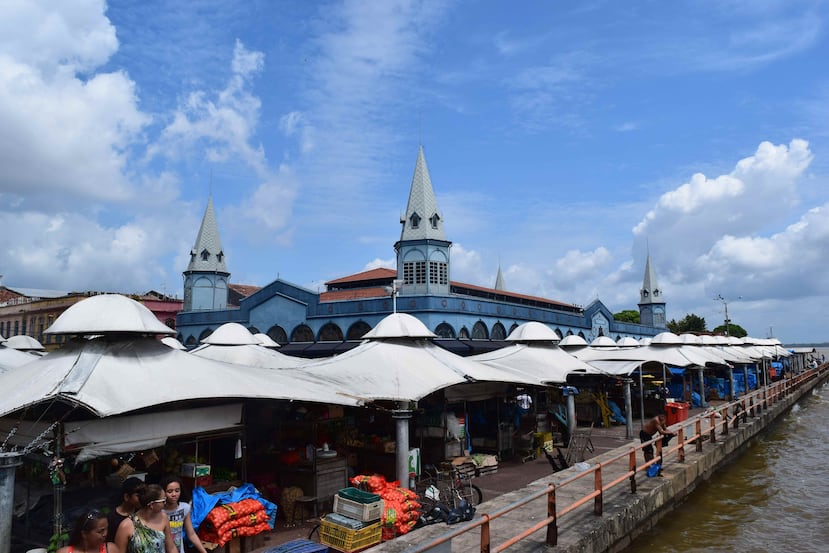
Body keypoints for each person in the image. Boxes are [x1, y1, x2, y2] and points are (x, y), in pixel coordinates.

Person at [114, 484, 176, 553]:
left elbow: (171, 547)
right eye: (163, 500)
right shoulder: (126, 526)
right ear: (152, 505)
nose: (165, 503)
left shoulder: (163, 517)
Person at [160, 475, 207, 553]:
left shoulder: (185, 508)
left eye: (177, 490)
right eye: (169, 491)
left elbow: (191, 534)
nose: (174, 494)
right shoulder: (159, 511)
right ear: (162, 493)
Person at [107, 477, 146, 542]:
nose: (143, 498)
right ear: (127, 497)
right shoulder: (111, 518)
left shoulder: (142, 512)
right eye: (138, 496)